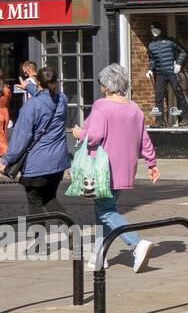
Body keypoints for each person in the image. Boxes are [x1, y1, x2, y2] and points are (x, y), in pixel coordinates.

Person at [71, 64, 161, 273]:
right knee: (104, 209)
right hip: (125, 169)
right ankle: (99, 255)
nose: (100, 86)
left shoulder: (102, 105)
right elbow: (144, 140)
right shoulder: (134, 109)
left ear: (107, 85)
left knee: (105, 211)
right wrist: (152, 163)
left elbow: (94, 136)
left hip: (102, 169)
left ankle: (136, 243)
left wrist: (79, 134)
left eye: (101, 83)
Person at [1, 67, 72, 226]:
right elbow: (47, 97)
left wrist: (6, 159)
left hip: (37, 164)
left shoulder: (31, 106)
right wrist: (30, 87)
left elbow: (21, 137)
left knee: (35, 202)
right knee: (49, 198)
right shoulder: (62, 99)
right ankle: (72, 231)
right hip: (58, 162)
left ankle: (38, 243)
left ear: (38, 81)